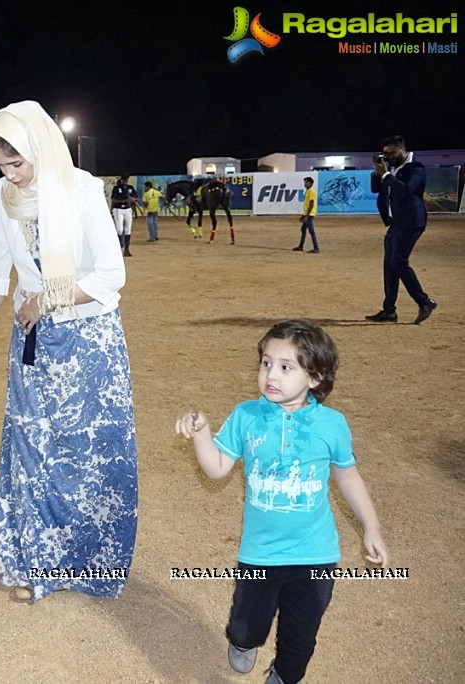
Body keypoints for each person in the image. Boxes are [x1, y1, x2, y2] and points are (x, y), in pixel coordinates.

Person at [0, 100, 138, 603]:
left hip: (90, 342)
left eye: (17, 164)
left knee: (89, 454)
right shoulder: (4, 197)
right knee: (34, 450)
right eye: (1, 166)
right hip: (35, 343)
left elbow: (111, 275)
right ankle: (34, 563)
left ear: (40, 149)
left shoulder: (81, 189)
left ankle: (88, 563)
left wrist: (48, 297)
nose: (10, 176)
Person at [175, 320, 389, 684]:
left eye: (286, 367)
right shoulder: (246, 416)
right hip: (260, 553)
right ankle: (244, 642)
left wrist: (372, 526)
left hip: (316, 554)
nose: (271, 374)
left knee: (301, 635)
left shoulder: (332, 424)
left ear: (315, 378)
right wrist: (202, 434)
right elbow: (216, 469)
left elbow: (348, 476)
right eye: (266, 363)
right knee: (246, 622)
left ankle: (285, 675)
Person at [365, 135, 437, 324]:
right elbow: (376, 190)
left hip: (412, 222)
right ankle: (389, 310)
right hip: (396, 222)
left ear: (403, 150)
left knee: (398, 262)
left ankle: (424, 301)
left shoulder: (416, 168)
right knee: (389, 265)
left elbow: (405, 190)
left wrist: (387, 175)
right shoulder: (392, 168)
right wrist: (377, 174)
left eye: (392, 153)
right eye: (386, 154)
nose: (389, 157)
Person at [111, 175, 138, 256]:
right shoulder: (116, 188)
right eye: (124, 180)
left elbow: (135, 198)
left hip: (127, 209)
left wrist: (133, 200)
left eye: (126, 180)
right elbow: (113, 200)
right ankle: (118, 248)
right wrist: (124, 200)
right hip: (118, 209)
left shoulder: (130, 188)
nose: (125, 181)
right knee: (119, 229)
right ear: (121, 180)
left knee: (128, 230)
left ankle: (126, 249)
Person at [292, 176, 319, 253]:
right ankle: (301, 246)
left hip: (309, 215)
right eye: (305, 182)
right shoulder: (308, 191)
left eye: (306, 182)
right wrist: (303, 215)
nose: (305, 183)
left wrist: (306, 216)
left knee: (311, 231)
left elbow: (311, 204)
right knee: (303, 230)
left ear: (310, 183)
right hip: (307, 214)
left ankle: (316, 248)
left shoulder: (311, 192)